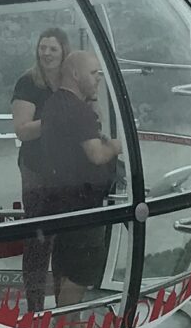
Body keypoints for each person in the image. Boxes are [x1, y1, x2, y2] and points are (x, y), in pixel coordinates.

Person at [39, 52, 123, 306]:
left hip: (60, 200)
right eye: (93, 73)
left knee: (65, 268)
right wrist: (117, 146)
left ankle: (63, 326)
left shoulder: (53, 104)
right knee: (79, 274)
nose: (98, 79)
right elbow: (96, 155)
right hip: (83, 204)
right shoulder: (79, 111)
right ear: (75, 74)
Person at [11, 27, 71, 306]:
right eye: (42, 47)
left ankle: (63, 303)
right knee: (38, 239)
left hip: (68, 170)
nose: (45, 53)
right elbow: (22, 130)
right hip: (36, 169)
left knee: (65, 240)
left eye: (52, 49)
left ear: (64, 52)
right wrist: (52, 122)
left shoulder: (71, 81)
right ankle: (35, 304)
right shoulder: (28, 83)